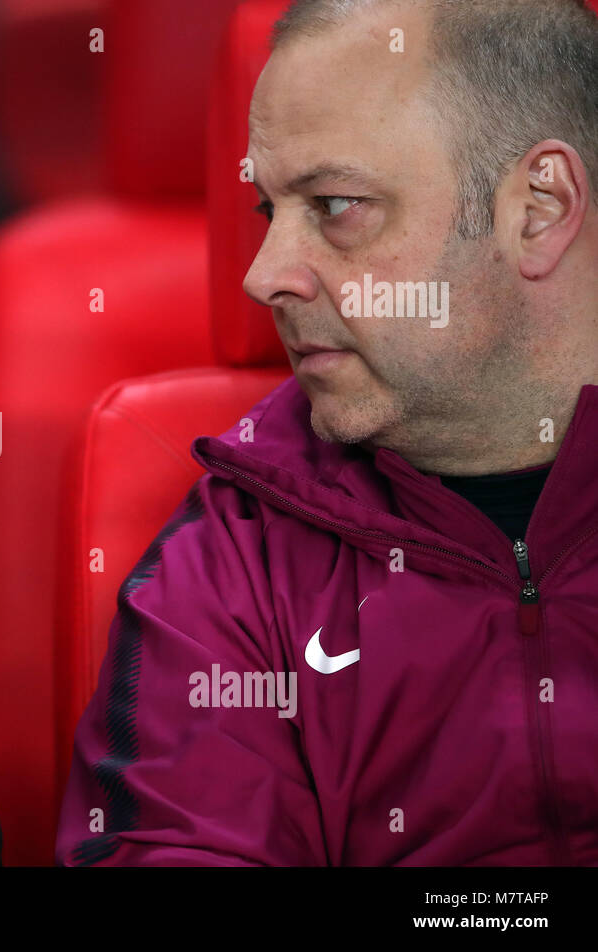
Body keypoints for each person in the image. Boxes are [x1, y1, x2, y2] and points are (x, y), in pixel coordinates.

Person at [58, 0, 598, 865]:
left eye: (336, 204)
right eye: (269, 211)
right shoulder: (231, 565)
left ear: (539, 208)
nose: (262, 276)